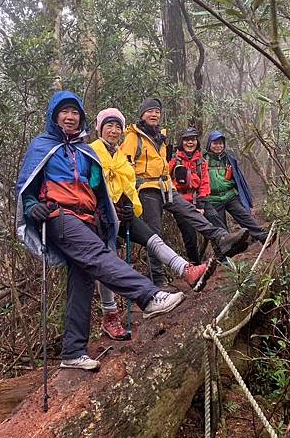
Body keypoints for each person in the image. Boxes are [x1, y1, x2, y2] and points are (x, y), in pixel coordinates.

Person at [16, 90, 185, 371]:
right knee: (98, 255)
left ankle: (72, 352)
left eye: (75, 113)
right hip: (58, 216)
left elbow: (97, 187)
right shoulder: (41, 147)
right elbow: (27, 188)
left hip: (87, 219)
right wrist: (33, 206)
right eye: (64, 112)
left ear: (80, 118)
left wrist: (117, 209)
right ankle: (149, 296)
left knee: (82, 279)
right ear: (54, 116)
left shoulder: (84, 151)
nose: (70, 117)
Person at [91, 109, 216, 340]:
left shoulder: (119, 155)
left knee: (152, 238)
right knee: (107, 261)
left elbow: (128, 183)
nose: (114, 131)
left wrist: (128, 204)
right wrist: (107, 208)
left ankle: (186, 270)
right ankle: (110, 316)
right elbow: (92, 185)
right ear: (99, 129)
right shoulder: (91, 152)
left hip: (124, 214)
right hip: (101, 217)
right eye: (109, 126)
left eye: (117, 126)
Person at [121, 98, 249, 286]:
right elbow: (125, 163)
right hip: (146, 189)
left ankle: (221, 237)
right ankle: (157, 280)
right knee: (154, 233)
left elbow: (163, 166)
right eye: (150, 111)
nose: (154, 114)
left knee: (189, 211)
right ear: (142, 114)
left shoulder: (160, 138)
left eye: (157, 111)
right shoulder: (134, 136)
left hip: (165, 187)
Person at [168, 127, 234, 265]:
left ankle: (224, 258)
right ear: (182, 141)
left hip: (200, 199)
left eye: (192, 139)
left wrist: (201, 204)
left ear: (196, 141)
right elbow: (166, 180)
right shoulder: (174, 160)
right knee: (189, 236)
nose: (190, 142)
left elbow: (205, 183)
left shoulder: (202, 162)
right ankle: (195, 265)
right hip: (181, 201)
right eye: (186, 140)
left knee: (216, 223)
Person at [205, 130, 271, 244]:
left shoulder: (229, 159)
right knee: (220, 229)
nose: (218, 146)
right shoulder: (203, 160)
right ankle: (223, 257)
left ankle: (263, 237)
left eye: (221, 143)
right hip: (213, 199)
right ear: (209, 144)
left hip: (230, 195)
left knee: (244, 216)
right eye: (215, 143)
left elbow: (238, 179)